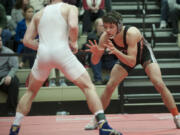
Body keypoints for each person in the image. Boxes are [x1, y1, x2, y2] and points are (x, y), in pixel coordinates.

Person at [9, 1, 122, 135]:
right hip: (62, 51)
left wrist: (45, 48)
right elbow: (74, 26)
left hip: (43, 53)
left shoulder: (38, 14)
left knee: (30, 92)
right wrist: (73, 42)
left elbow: (27, 40)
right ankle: (103, 126)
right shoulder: (69, 8)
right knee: (88, 87)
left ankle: (15, 127)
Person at [84, 10, 180, 130]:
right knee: (110, 85)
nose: (107, 30)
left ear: (119, 25)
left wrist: (115, 51)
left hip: (143, 54)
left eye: (111, 27)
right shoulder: (105, 37)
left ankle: (177, 116)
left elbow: (132, 61)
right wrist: (96, 54)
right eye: (105, 27)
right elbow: (94, 62)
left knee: (158, 83)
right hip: (125, 55)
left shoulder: (131, 33)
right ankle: (98, 119)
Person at [0, 31, 19, 116]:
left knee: (14, 81)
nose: (0, 42)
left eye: (0, 40)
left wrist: (9, 76)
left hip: (4, 78)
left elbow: (15, 66)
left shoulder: (9, 52)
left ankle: (11, 110)